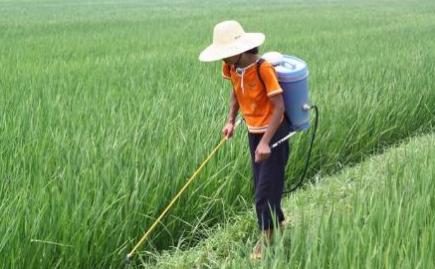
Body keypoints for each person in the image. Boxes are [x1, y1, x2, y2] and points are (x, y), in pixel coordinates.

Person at [199, 20, 290, 260]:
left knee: (263, 194)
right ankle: (279, 225)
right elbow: (235, 93)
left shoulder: (263, 69)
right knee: (264, 184)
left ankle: (265, 240)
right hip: (253, 132)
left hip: (274, 133)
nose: (223, 60)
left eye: (226, 54)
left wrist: (265, 142)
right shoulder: (231, 68)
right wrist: (230, 120)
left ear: (239, 51)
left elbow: (279, 108)